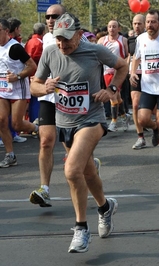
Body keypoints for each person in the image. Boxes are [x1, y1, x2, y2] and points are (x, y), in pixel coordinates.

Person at [31, 12, 127, 253]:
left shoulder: (94, 50)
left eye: (67, 39)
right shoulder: (50, 52)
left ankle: (81, 228)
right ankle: (105, 207)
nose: (63, 44)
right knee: (87, 171)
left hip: (92, 119)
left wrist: (111, 90)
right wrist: (44, 87)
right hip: (65, 122)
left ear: (79, 34)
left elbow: (122, 66)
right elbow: (34, 85)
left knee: (72, 170)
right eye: (58, 39)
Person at [29, 4, 93, 208]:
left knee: (72, 148)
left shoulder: (80, 39)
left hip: (72, 100)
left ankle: (88, 165)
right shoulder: (44, 40)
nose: (49, 19)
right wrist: (42, 86)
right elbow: (35, 81)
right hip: (49, 97)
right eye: (47, 16)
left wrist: (109, 90)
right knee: (46, 141)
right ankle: (44, 189)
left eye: (54, 16)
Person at [129, 10, 159, 164]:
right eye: (148, 22)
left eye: (153, 22)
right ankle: (155, 129)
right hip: (147, 87)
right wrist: (133, 72)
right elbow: (136, 57)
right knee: (142, 120)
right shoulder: (141, 39)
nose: (149, 25)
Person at [0, 19, 37, 168]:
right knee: (1, 120)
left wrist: (18, 76)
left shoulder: (15, 48)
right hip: (2, 90)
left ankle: (37, 129)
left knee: (16, 125)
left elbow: (32, 66)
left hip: (18, 90)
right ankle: (10, 155)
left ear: (6, 32)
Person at [98, 20, 130, 132]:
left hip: (118, 71)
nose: (112, 29)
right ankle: (124, 116)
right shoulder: (102, 40)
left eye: (114, 26)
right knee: (118, 97)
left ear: (119, 29)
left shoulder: (123, 40)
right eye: (110, 26)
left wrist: (125, 66)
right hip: (107, 71)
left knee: (112, 95)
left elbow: (127, 55)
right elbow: (97, 55)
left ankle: (113, 122)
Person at [128, 14, 147, 150]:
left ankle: (156, 125)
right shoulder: (130, 40)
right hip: (135, 75)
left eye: (139, 23)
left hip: (150, 76)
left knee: (152, 110)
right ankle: (140, 136)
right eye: (134, 24)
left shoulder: (151, 38)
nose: (136, 26)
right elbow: (130, 57)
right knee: (135, 105)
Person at [25, 22, 46, 123]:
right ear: (43, 31)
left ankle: (29, 122)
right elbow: (38, 59)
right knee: (35, 100)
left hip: (28, 74)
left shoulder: (29, 41)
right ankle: (35, 121)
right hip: (35, 75)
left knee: (30, 100)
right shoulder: (39, 42)